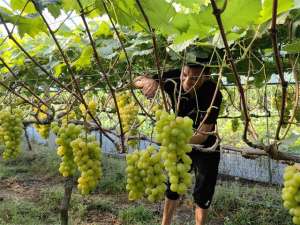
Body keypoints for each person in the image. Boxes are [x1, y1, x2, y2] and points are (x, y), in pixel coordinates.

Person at [133, 57, 223, 225]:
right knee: (173, 185)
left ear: (206, 76)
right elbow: (136, 80)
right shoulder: (173, 78)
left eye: (195, 78)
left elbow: (203, 134)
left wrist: (172, 141)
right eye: (185, 74)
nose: (187, 81)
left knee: (204, 191)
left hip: (206, 146)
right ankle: (165, 223)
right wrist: (149, 81)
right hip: (177, 140)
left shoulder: (214, 93)